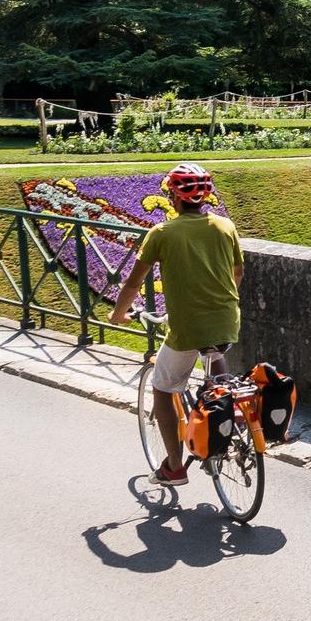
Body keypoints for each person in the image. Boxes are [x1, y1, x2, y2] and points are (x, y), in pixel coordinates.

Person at [109, 164, 246, 487]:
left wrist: (118, 314)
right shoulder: (225, 226)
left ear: (173, 195)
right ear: (206, 196)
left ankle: (173, 467)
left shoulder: (162, 234)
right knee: (216, 366)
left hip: (188, 326)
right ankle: (227, 411)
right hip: (226, 318)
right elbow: (237, 274)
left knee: (163, 387)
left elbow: (133, 283)